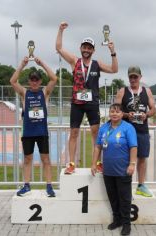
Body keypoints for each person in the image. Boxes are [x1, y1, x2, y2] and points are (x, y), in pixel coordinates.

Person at [56, 21, 118, 174]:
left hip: (92, 103)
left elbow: (114, 70)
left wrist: (113, 51)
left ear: (93, 50)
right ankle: (71, 163)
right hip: (77, 103)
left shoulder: (97, 64)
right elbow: (58, 48)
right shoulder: (74, 61)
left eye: (89, 48)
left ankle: (97, 163)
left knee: (95, 132)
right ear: (81, 48)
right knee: (74, 133)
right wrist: (60, 30)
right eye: (84, 47)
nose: (86, 50)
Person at [10, 56, 57, 197]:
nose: (34, 82)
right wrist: (22, 65)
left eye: (37, 79)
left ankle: (49, 186)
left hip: (42, 132)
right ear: (29, 81)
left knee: (46, 159)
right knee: (27, 159)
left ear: (40, 81)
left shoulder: (44, 93)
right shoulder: (25, 93)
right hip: (28, 133)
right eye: (32, 79)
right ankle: (26, 186)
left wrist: (42, 63)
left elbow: (54, 79)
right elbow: (12, 81)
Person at [91, 103, 137, 236]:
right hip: (108, 170)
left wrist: (132, 164)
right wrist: (94, 163)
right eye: (112, 111)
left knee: (125, 199)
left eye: (117, 112)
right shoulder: (104, 128)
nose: (114, 114)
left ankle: (126, 224)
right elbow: (98, 147)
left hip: (123, 170)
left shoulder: (128, 128)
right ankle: (117, 220)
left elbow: (133, 147)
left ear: (122, 114)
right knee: (113, 197)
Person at [115, 66, 156, 197]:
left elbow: (154, 109)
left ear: (140, 77)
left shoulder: (147, 91)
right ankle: (126, 187)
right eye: (131, 77)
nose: (133, 79)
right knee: (125, 159)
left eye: (135, 77)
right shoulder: (122, 91)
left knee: (142, 158)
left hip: (142, 130)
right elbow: (115, 110)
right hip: (126, 131)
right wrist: (127, 115)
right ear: (128, 77)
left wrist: (147, 115)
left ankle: (141, 185)